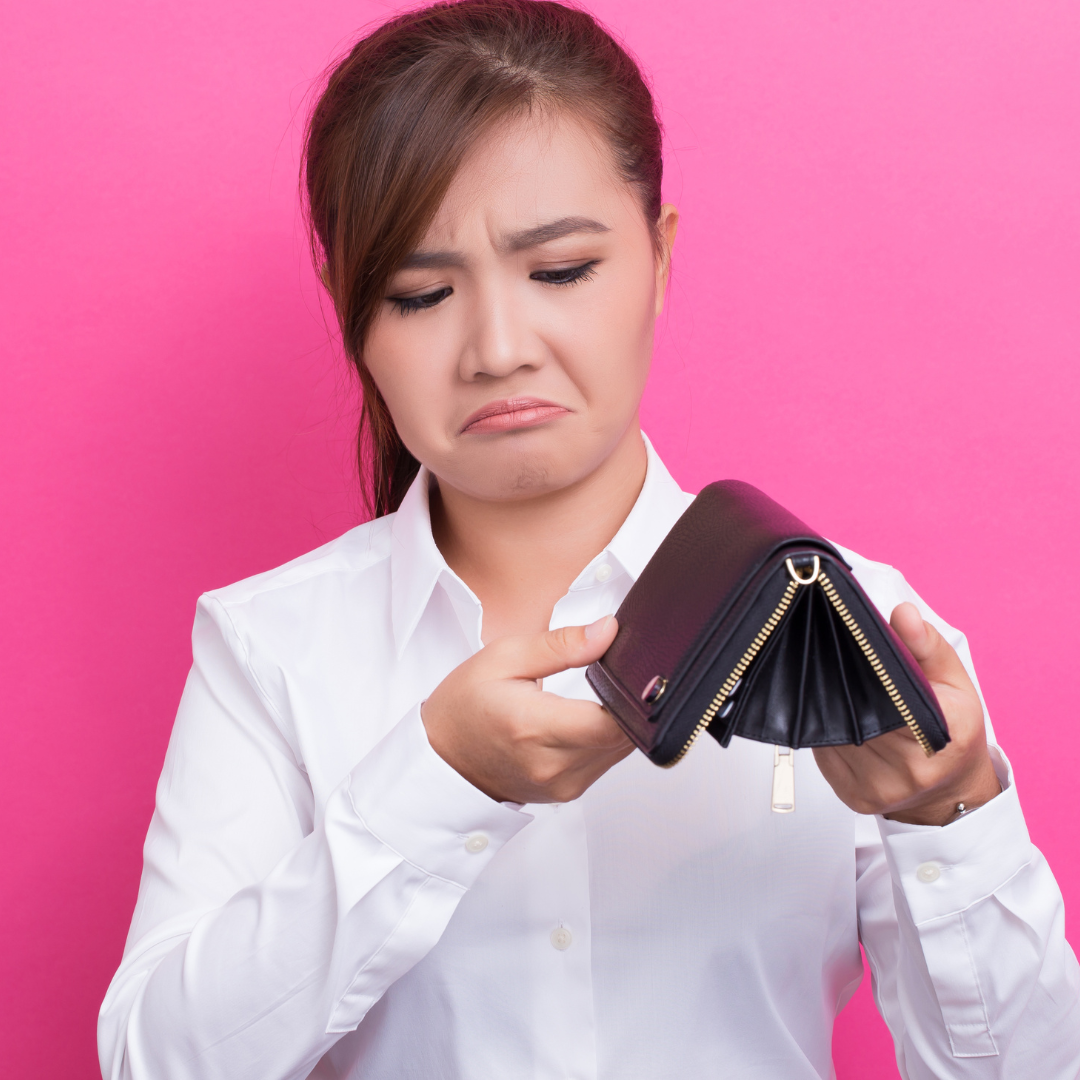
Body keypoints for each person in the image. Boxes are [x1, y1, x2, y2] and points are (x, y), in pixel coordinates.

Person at [97, 2, 1080, 1077]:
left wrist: (950, 815)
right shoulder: (271, 645)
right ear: (348, 305)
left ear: (658, 256)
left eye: (559, 271)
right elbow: (156, 1061)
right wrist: (433, 787)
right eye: (421, 293)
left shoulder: (851, 620)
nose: (499, 348)